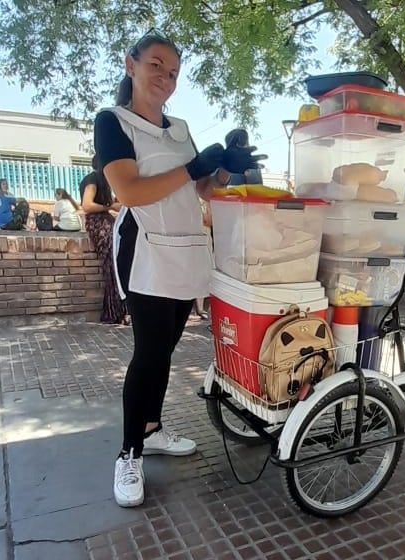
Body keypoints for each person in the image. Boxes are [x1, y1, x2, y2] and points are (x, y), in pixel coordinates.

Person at [94, 30, 265, 508]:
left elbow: (202, 192)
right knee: (148, 354)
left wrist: (226, 167)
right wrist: (193, 170)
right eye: (155, 66)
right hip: (146, 249)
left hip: (186, 247)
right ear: (131, 66)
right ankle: (128, 453)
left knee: (165, 351)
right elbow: (129, 192)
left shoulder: (180, 128)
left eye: (172, 72)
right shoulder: (113, 122)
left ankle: (150, 430)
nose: (165, 78)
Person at [80, 157, 129, 325]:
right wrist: (109, 207)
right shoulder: (92, 180)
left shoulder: (106, 181)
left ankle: (122, 308)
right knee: (112, 263)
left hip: (107, 220)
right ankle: (115, 310)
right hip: (97, 222)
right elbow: (87, 205)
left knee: (120, 258)